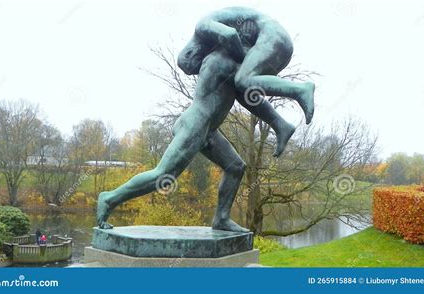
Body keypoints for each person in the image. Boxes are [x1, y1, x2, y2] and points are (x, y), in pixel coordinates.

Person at [97, 49, 248, 232]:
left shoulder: (238, 64)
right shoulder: (220, 60)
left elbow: (249, 91)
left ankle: (222, 219)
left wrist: (278, 124)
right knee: (163, 176)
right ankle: (109, 198)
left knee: (236, 167)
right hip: (196, 124)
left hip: (209, 129)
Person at [177, 6, 315, 157]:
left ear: (191, 52)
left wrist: (242, 53)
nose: (203, 61)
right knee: (240, 87)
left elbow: (229, 35)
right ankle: (280, 125)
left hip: (272, 36)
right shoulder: (211, 40)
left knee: (243, 80)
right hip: (269, 43)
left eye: (199, 63)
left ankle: (301, 90)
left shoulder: (202, 26)